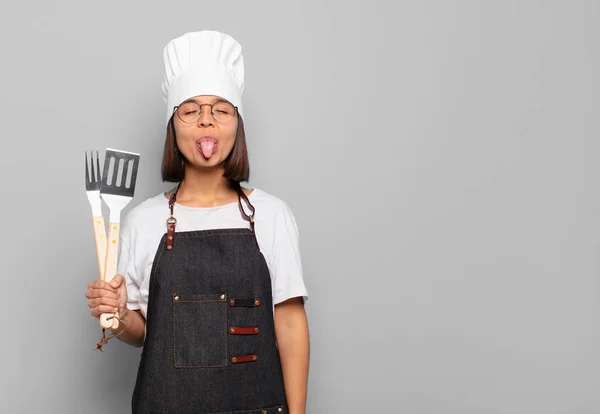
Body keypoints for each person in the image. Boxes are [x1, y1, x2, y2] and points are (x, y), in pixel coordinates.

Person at [85, 30, 310, 414]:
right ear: (173, 126)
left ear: (237, 125)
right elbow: (142, 335)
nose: (206, 122)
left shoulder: (272, 216)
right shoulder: (142, 221)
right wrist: (120, 313)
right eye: (190, 110)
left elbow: (289, 326)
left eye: (220, 110)